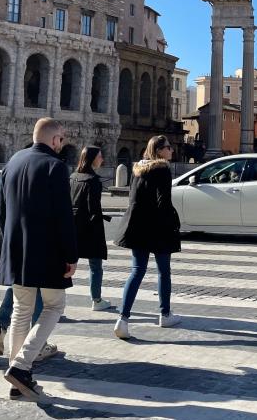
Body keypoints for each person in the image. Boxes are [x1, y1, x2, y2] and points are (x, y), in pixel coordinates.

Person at [0, 117, 77, 402]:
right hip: (46, 250)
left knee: (21, 309)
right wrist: (70, 255)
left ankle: (15, 376)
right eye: (62, 138)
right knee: (54, 306)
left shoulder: (13, 162)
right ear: (54, 140)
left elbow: (2, 214)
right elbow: (64, 217)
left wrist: (10, 242)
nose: (62, 143)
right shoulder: (55, 166)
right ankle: (21, 367)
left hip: (15, 249)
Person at [113, 135, 181, 339]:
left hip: (138, 226)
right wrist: (173, 223)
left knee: (136, 271)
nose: (171, 151)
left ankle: (122, 319)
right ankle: (165, 314)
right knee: (163, 272)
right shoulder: (162, 169)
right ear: (159, 151)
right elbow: (164, 201)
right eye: (168, 148)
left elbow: (132, 199)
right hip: (158, 227)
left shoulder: (138, 169)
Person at [70, 145, 112, 311]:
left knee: (66, 265)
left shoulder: (73, 177)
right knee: (95, 266)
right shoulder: (93, 180)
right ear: (93, 158)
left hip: (72, 226)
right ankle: (96, 300)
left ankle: (54, 302)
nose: (102, 159)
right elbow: (93, 208)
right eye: (100, 156)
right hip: (89, 228)